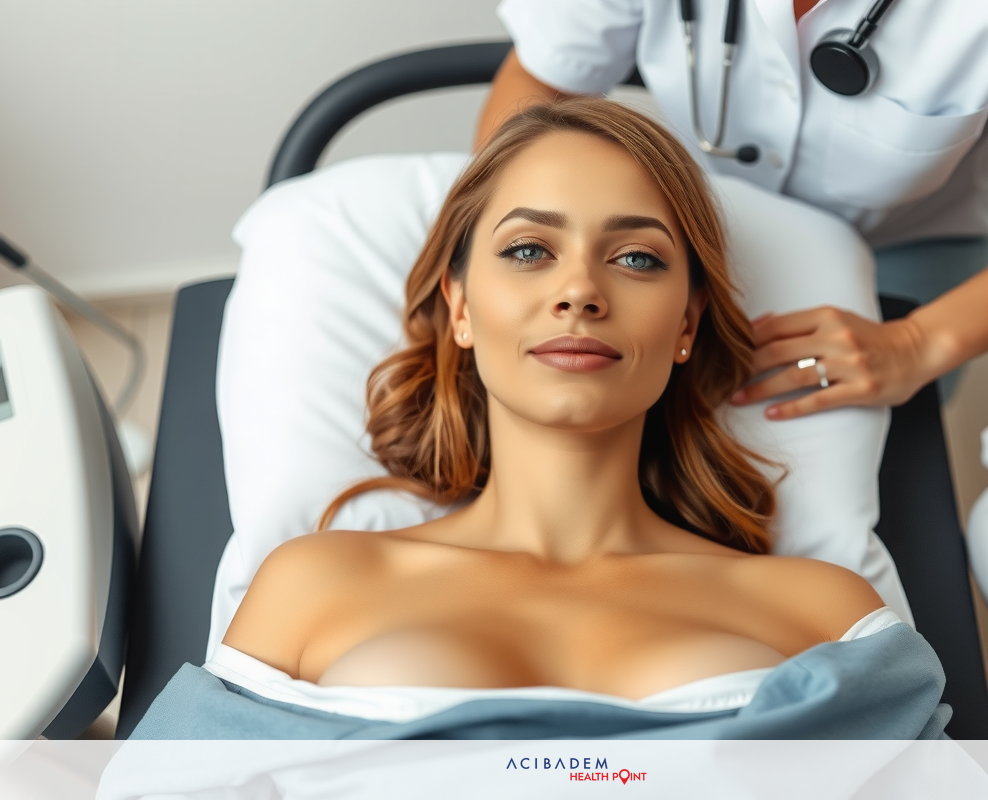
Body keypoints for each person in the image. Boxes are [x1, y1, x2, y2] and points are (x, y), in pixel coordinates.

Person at [216, 98, 907, 708]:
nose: (580, 290)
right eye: (527, 250)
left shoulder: (823, 607)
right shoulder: (311, 583)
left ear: (687, 325)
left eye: (637, 257)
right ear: (459, 308)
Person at [481, 0, 988, 410]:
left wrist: (917, 342)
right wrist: (520, 257)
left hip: (899, 259)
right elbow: (543, 81)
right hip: (681, 238)